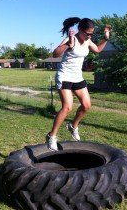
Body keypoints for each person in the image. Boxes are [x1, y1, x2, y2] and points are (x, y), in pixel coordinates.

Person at [46, 17, 111, 151]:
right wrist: (68, 44)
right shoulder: (72, 39)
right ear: (80, 30)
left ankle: (73, 126)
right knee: (67, 107)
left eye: (91, 34)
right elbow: (55, 54)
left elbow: (98, 50)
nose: (89, 36)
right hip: (64, 76)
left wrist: (105, 38)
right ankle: (52, 136)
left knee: (86, 105)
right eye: (87, 33)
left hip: (77, 77)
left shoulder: (87, 41)